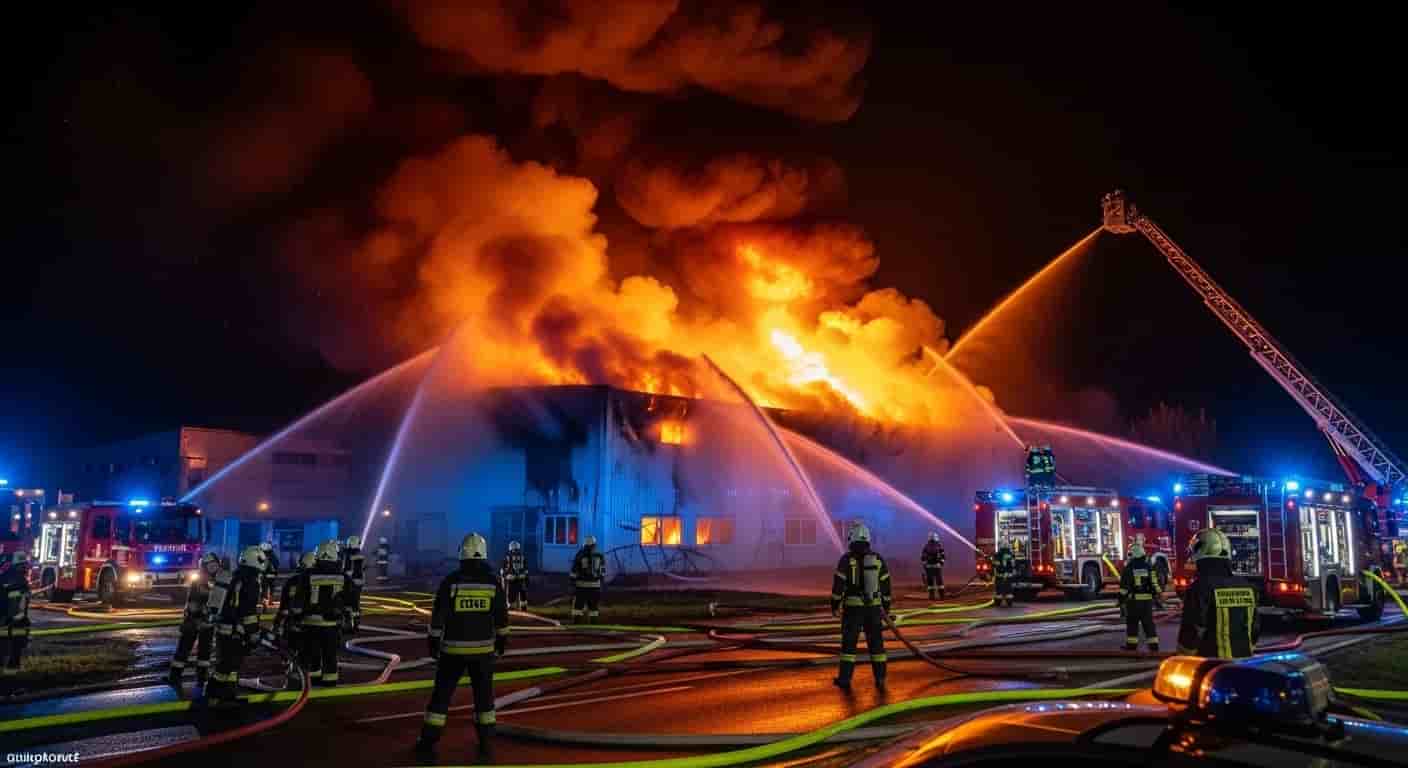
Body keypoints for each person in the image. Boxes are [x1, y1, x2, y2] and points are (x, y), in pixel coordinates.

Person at [415, 533, 510, 763]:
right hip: (483, 652)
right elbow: (502, 617)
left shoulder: (451, 581)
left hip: (452, 652)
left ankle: (428, 742)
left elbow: (438, 617)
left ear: (462, 554)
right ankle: (486, 743)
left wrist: (433, 642)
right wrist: (501, 642)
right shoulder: (492, 583)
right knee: (484, 699)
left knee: (441, 698)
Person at [1177, 528, 1260, 658]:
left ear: (1202, 552)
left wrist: (1184, 657)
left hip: (1211, 667)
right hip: (1244, 666)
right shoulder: (1248, 587)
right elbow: (1255, 628)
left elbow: (1192, 630)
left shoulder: (1199, 588)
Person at [830, 522, 891, 691]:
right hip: (874, 609)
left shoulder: (846, 560)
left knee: (849, 646)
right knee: (877, 645)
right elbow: (886, 586)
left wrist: (835, 605)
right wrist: (886, 608)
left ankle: (845, 679)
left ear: (851, 538)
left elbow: (838, 585)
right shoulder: (878, 560)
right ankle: (880, 678)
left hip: (853, 609)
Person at [207, 545, 266, 702]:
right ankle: (212, 695)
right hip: (235, 630)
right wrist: (254, 632)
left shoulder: (235, 575)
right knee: (226, 666)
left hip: (224, 627)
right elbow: (248, 611)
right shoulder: (251, 581)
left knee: (230, 664)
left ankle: (227, 695)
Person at [294, 540, 349, 687]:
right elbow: (349, 599)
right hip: (331, 625)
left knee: (310, 655)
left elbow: (298, 601)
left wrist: (295, 619)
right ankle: (329, 684)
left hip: (309, 624)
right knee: (330, 656)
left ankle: (309, 683)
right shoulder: (342, 576)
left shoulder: (307, 575)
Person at [168, 552, 222, 687]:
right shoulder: (214, 582)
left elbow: (195, 603)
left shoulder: (214, 583)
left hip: (198, 621)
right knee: (195, 650)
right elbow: (192, 602)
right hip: (198, 621)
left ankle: (182, 677)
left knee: (194, 650)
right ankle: (197, 678)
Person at [1118, 538, 1162, 652]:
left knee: (1132, 624)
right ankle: (1154, 647)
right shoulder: (1148, 567)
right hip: (1147, 603)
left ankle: (1131, 647)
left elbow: (1124, 587)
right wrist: (1157, 596)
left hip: (1133, 602)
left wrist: (1121, 600)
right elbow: (1154, 583)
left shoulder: (1129, 568)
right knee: (1149, 624)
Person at [275, 552, 316, 675]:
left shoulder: (290, 581)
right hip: (309, 624)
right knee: (308, 652)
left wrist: (277, 623)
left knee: (290, 649)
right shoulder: (315, 582)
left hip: (291, 622)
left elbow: (283, 606)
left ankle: (291, 670)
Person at [1, 551, 32, 695]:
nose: (27, 568)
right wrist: (23, 628)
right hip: (13, 628)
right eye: (25, 565)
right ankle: (8, 689)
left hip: (3, 626)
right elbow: (18, 611)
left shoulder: (4, 577)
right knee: (13, 660)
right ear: (20, 566)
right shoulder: (20, 582)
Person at [570, 535, 606, 624]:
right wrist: (601, 582)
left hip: (581, 586)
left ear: (585, 544)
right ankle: (593, 624)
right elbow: (602, 572)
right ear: (594, 544)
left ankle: (577, 624)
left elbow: (574, 571)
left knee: (578, 607)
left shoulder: (580, 555)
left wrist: (571, 582)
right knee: (593, 607)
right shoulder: (600, 556)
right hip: (595, 587)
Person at [341, 536, 366, 633]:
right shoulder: (360, 555)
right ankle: (356, 625)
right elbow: (362, 569)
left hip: (349, 582)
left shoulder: (348, 555)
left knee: (347, 604)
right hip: (359, 583)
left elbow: (346, 570)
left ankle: (348, 625)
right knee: (355, 605)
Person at [502, 540, 528, 611]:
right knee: (523, 595)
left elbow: (503, 569)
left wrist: (505, 576)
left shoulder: (507, 557)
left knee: (511, 595)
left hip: (512, 580)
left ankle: (512, 610)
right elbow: (526, 569)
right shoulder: (523, 557)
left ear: (510, 548)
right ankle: (524, 609)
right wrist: (524, 576)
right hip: (521, 579)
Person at [920, 532, 946, 601]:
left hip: (929, 567)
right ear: (936, 538)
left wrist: (925, 565)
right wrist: (941, 563)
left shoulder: (926, 546)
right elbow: (943, 556)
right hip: (937, 567)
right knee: (939, 582)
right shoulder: (939, 546)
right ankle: (942, 596)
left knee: (930, 583)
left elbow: (923, 557)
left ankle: (932, 596)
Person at [260, 541, 278, 607]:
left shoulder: (265, 557)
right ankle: (270, 601)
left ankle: (264, 602)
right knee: (271, 588)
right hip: (272, 575)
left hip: (266, 575)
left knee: (264, 588)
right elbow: (277, 565)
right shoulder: (274, 556)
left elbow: (263, 567)